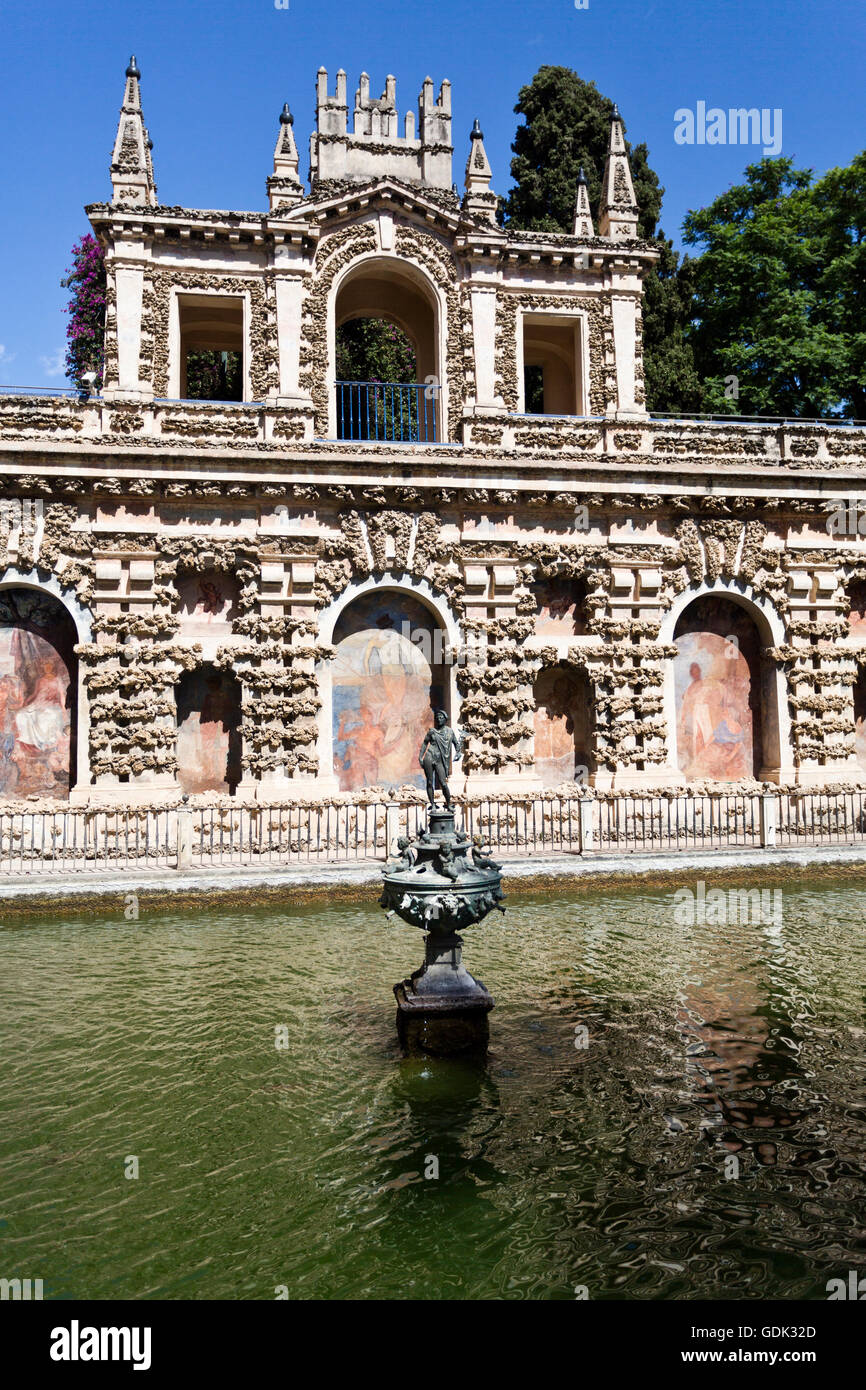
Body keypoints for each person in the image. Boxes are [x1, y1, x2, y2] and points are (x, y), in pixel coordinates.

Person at [419, 709, 462, 809]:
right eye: (437, 717)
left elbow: (456, 744)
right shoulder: (432, 732)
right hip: (429, 757)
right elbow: (425, 743)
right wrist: (420, 757)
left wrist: (458, 752)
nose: (439, 719)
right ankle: (433, 804)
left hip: (440, 760)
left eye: (441, 717)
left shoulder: (449, 732)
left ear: (445, 719)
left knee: (443, 782)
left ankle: (448, 803)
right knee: (430, 781)